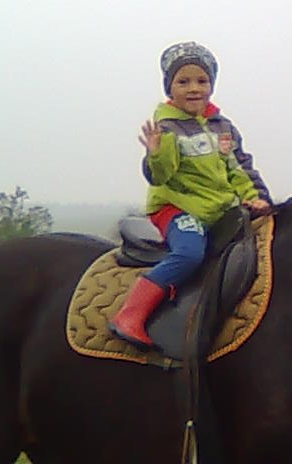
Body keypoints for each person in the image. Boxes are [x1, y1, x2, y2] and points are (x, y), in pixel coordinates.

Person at [109, 41, 271, 348]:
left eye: (202, 80)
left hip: (217, 208)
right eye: (183, 82)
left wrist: (256, 196)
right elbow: (161, 175)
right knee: (190, 252)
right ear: (170, 88)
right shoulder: (168, 127)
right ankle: (130, 314)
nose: (194, 88)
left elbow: (238, 168)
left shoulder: (222, 127)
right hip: (178, 208)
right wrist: (156, 153)